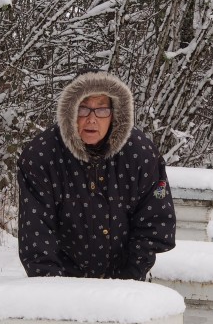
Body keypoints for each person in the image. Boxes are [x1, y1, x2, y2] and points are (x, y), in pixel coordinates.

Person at [17, 70, 176, 280]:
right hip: (60, 285)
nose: (92, 120)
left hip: (126, 283)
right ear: (70, 111)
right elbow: (36, 234)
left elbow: (155, 223)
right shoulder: (42, 156)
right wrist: (53, 289)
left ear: (115, 113)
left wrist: (128, 280)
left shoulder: (140, 154)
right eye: (83, 109)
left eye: (101, 110)